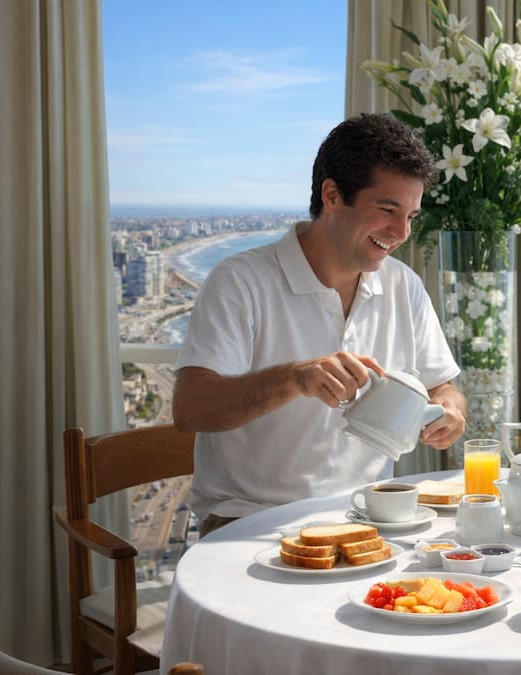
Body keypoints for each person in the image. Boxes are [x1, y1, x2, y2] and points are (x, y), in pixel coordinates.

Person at [173, 113, 467, 536]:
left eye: (411, 216)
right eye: (387, 210)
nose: (401, 232)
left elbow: (443, 387)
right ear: (332, 195)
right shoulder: (240, 281)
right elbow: (190, 408)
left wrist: (451, 411)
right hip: (249, 523)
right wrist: (296, 378)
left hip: (369, 519)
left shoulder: (404, 285)